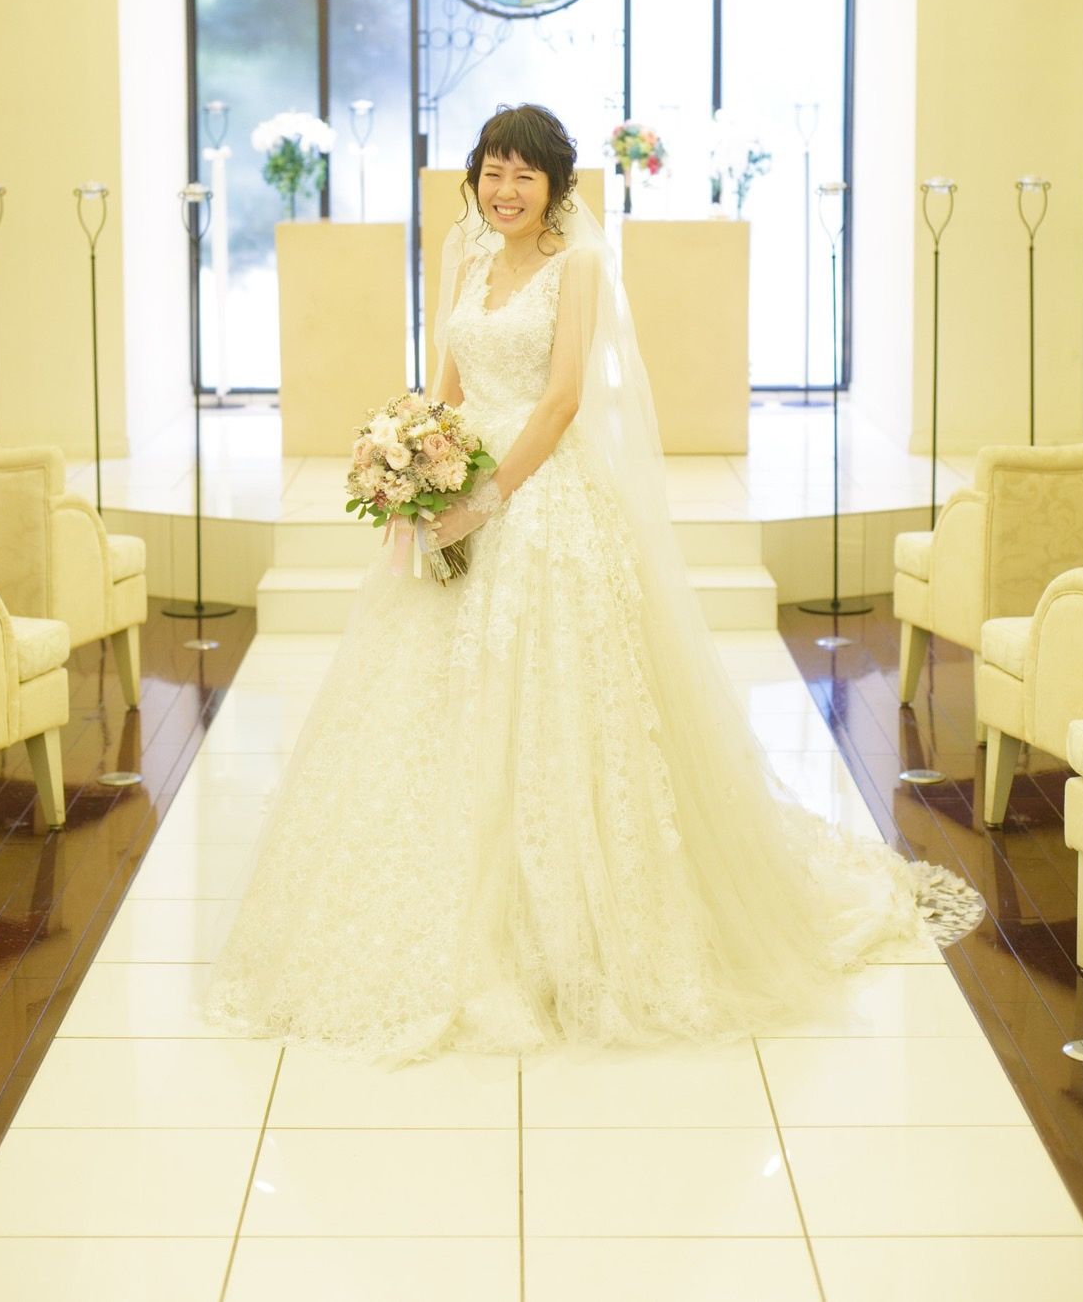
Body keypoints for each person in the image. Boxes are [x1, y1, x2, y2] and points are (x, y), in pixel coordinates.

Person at [204, 103, 979, 1066]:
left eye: (524, 174)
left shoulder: (576, 266)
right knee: (432, 702)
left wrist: (483, 500)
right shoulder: (465, 256)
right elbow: (449, 381)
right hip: (460, 483)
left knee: (562, 703)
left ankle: (577, 924)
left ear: (555, 186)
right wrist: (411, 459)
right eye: (492, 171)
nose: (505, 190)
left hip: (542, 499)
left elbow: (564, 398)